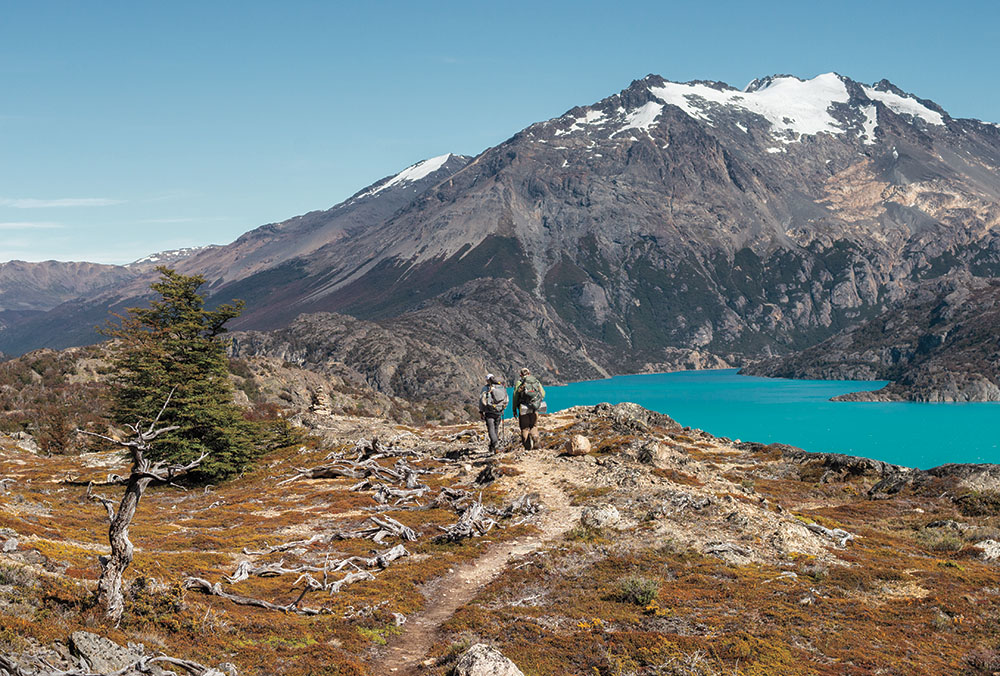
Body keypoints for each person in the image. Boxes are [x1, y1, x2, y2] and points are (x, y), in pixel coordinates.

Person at [512, 367, 545, 450]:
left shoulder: (519, 383)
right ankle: (536, 440)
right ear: (529, 374)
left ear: (521, 375)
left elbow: (515, 397)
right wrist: (536, 401)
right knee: (533, 426)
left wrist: (514, 409)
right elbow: (543, 393)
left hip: (523, 408)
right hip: (534, 408)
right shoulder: (535, 381)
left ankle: (527, 448)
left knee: (524, 428)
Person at [478, 373, 508, 452]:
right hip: (499, 411)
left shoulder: (486, 388)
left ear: (488, 380)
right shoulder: (501, 387)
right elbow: (506, 399)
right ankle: (492, 447)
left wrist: (481, 412)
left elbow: (482, 401)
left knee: (491, 429)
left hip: (489, 411)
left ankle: (495, 444)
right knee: (496, 428)